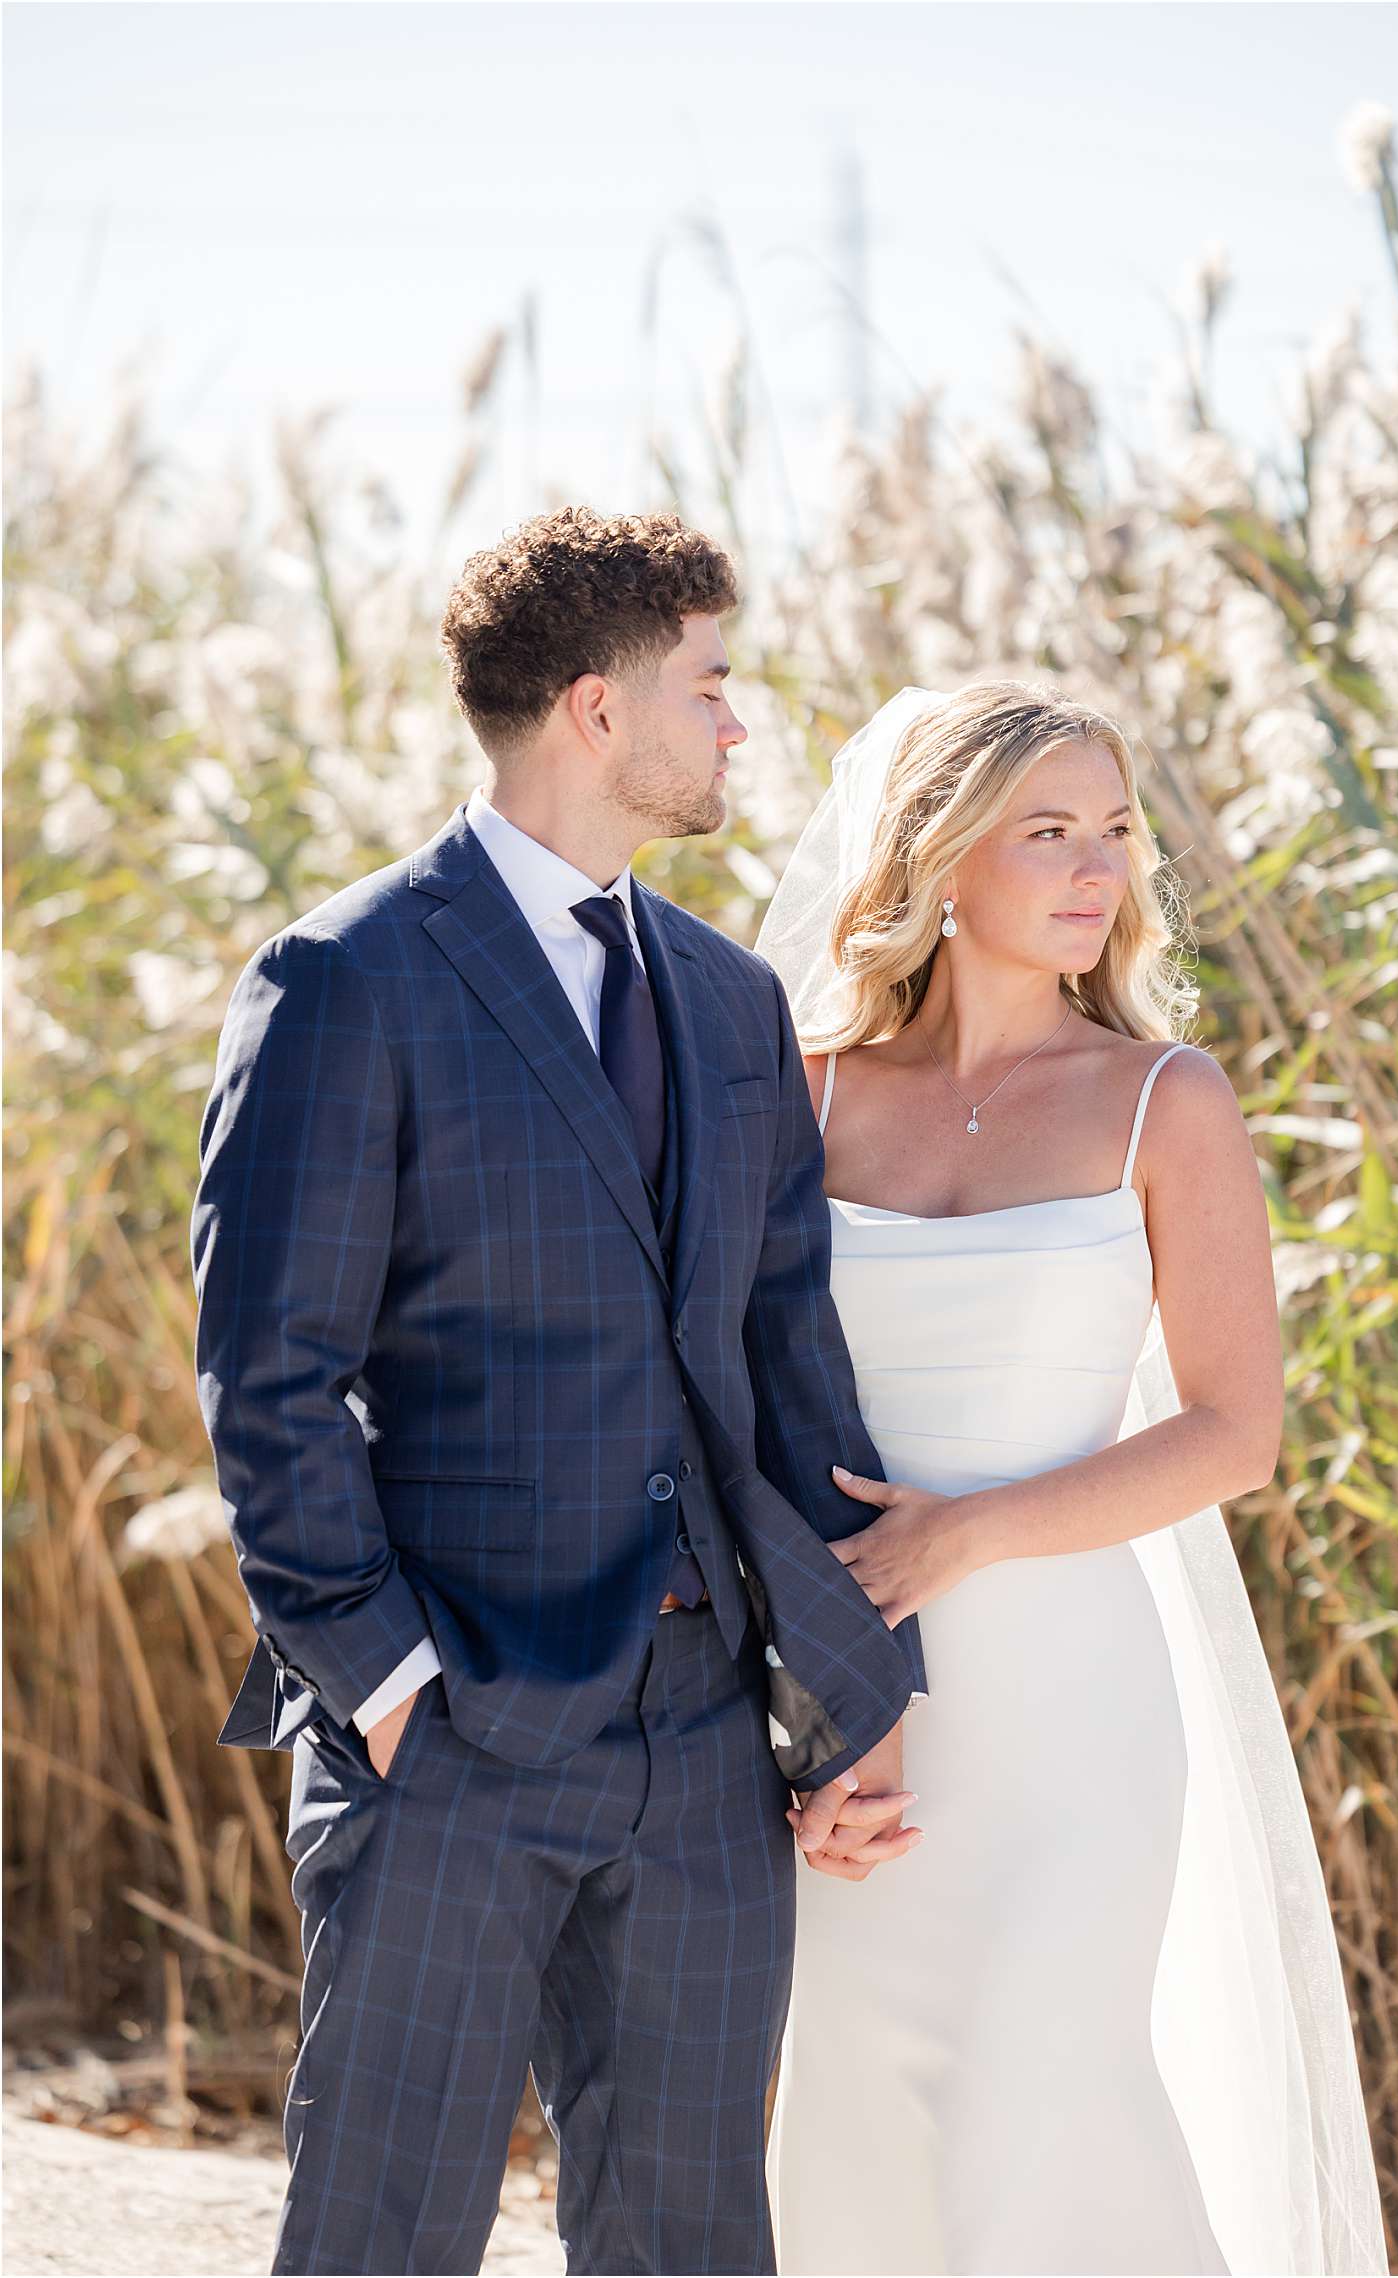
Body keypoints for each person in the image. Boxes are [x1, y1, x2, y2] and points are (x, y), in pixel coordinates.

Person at [190, 507, 925, 2278]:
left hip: (701, 1750)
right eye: (713, 684)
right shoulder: (345, 979)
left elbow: (788, 1367)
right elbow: (265, 1374)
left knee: (690, 2242)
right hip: (446, 1737)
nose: (738, 725)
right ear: (598, 708)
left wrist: (855, 1687)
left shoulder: (736, 1003)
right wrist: (377, 1678)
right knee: (382, 2235)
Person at [757, 683, 1389, 2276]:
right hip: (860, 1704)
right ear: (938, 856)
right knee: (869, 2129)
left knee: (1031, 2115)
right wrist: (804, 1723)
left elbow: (1235, 1429)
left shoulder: (1168, 1103)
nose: (1096, 865)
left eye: (1113, 828)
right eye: (1048, 830)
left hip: (1077, 1716)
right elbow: (736, 1418)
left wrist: (963, 1534)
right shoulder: (806, 1096)